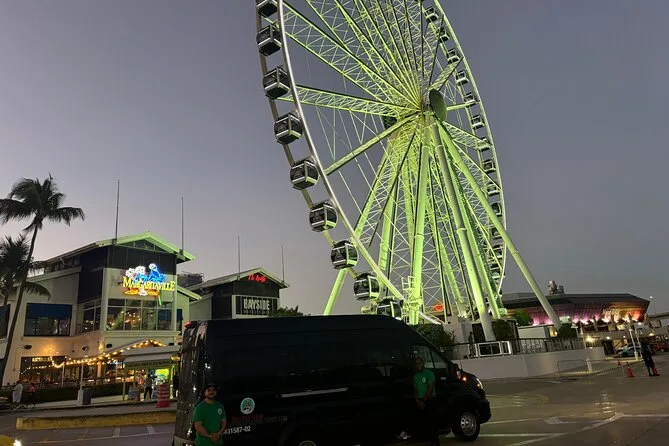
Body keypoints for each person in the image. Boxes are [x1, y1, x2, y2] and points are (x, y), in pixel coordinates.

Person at [413, 357, 440, 446]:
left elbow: (430, 388)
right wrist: (418, 400)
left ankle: (436, 443)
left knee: (432, 423)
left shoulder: (429, 373)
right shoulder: (415, 376)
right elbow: (415, 389)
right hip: (420, 402)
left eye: (420, 363)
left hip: (429, 401)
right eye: (417, 364)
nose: (418, 365)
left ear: (423, 363)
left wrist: (424, 401)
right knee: (425, 423)